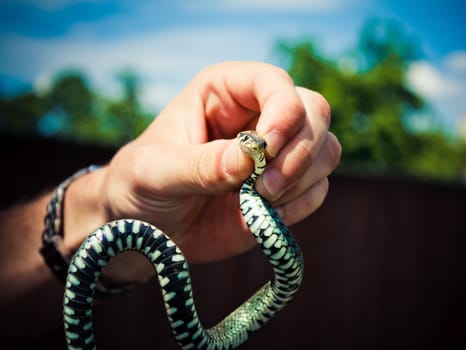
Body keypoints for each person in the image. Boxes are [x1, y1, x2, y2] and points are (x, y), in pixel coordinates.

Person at [0, 61, 341, 344]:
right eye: (243, 138)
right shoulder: (239, 183)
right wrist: (103, 203)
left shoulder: (252, 189)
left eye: (253, 140)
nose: (247, 141)